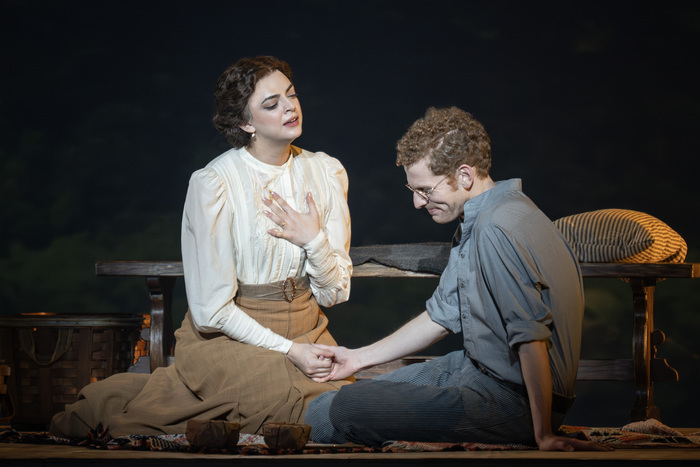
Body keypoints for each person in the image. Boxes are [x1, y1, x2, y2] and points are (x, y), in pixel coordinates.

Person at [50, 56, 354, 437]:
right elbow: (211, 313)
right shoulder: (215, 183)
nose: (290, 107)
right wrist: (291, 352)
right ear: (246, 123)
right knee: (290, 403)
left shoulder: (326, 172)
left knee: (338, 397)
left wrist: (313, 241)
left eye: (291, 95)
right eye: (271, 104)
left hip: (309, 329)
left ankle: (175, 395)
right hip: (228, 337)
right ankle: (126, 404)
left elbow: (335, 293)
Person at [305, 107, 610, 451]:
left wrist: (543, 435)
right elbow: (442, 314)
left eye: (425, 189)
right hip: (473, 370)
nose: (417, 203)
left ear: (464, 176)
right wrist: (357, 357)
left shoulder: (497, 228)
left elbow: (530, 336)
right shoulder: (487, 216)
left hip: (510, 402)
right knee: (319, 412)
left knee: (348, 406)